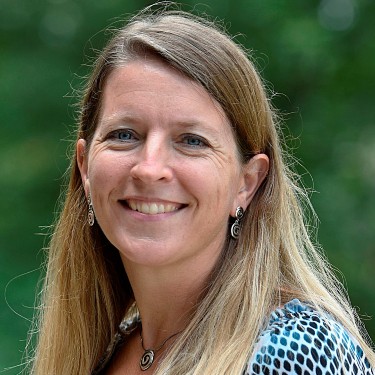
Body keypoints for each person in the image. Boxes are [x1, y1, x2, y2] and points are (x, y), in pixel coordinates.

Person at [27, 4, 375, 375]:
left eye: (192, 141)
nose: (150, 168)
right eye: (124, 135)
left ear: (247, 183)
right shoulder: (105, 351)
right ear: (85, 167)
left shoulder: (295, 349)